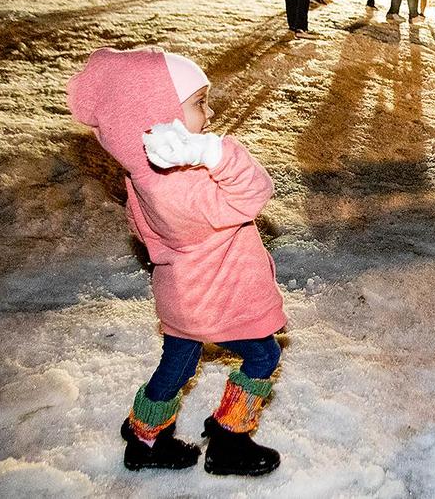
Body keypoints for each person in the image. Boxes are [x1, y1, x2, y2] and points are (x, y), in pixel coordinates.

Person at [67, 47, 287, 476]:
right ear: (158, 113)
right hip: (210, 295)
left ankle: (145, 434)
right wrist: (215, 153)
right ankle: (230, 440)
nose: (209, 112)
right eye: (199, 103)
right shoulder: (177, 188)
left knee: (179, 361)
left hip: (180, 292)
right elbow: (254, 192)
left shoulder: (144, 176)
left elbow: (148, 233)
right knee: (262, 357)